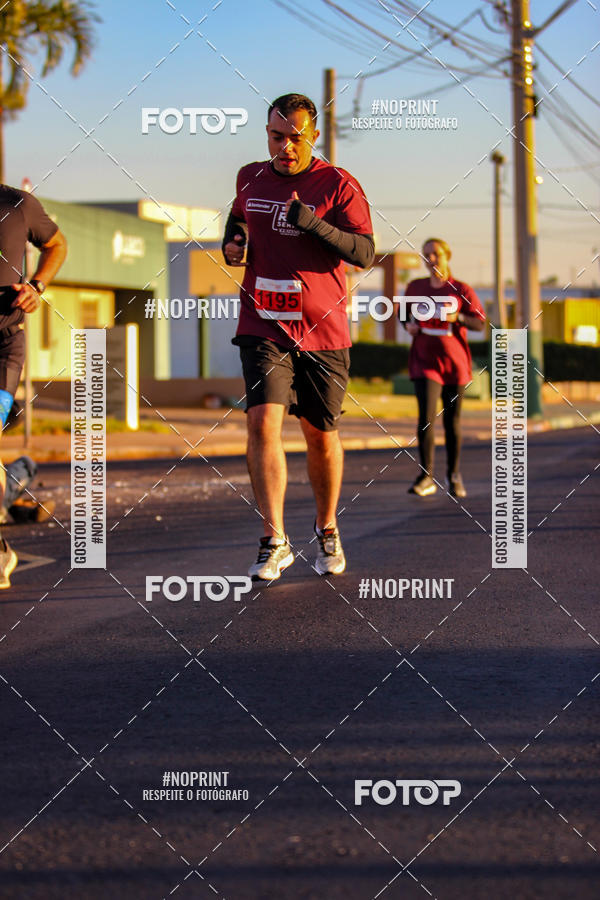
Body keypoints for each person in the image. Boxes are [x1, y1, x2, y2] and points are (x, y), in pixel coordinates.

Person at [222, 92, 374, 581]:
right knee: (263, 423)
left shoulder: (339, 184)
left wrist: (313, 225)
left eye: (296, 137)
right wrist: (234, 240)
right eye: (276, 136)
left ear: (314, 136)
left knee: (319, 435)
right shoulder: (250, 175)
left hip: (323, 330)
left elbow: (365, 252)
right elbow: (240, 213)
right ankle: (274, 539)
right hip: (263, 320)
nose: (285, 147)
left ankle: (327, 528)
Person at [0, 185, 67, 587]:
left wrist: (37, 286)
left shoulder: (17, 204)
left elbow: (56, 245)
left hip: (3, 344)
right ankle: (18, 478)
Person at [403, 237, 485, 499]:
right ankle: (426, 476)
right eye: (426, 254)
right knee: (426, 419)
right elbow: (403, 314)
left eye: (436, 253)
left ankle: (454, 475)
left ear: (448, 255)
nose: (431, 259)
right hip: (425, 362)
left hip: (454, 365)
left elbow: (480, 324)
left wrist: (458, 317)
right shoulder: (415, 287)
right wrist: (408, 326)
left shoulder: (460, 289)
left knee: (452, 422)